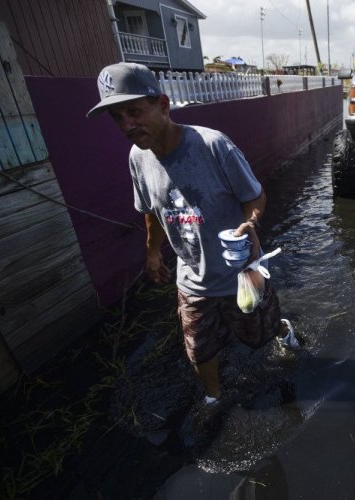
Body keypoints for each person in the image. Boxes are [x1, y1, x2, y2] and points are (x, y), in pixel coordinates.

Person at [86, 62, 298, 407]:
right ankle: (214, 397)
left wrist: (251, 224)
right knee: (198, 348)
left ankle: (282, 329)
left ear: (164, 105)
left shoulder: (213, 146)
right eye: (117, 117)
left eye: (134, 112)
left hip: (239, 274)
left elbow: (255, 196)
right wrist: (152, 253)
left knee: (260, 334)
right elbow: (152, 211)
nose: (127, 125)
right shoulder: (137, 158)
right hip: (191, 280)